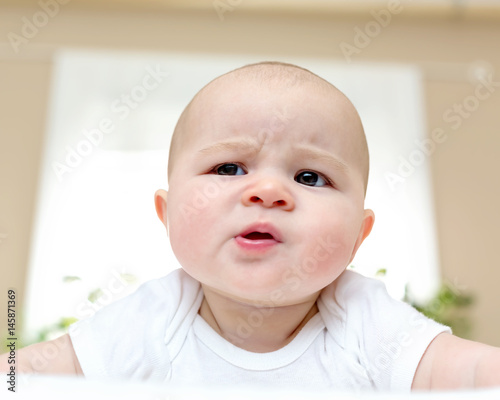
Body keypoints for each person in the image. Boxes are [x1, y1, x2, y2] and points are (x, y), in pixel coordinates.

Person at [1, 61, 499, 391]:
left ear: (357, 238)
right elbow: (32, 374)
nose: (266, 191)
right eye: (229, 168)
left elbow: (470, 371)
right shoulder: (152, 321)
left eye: (310, 176)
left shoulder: (364, 321)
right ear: (167, 214)